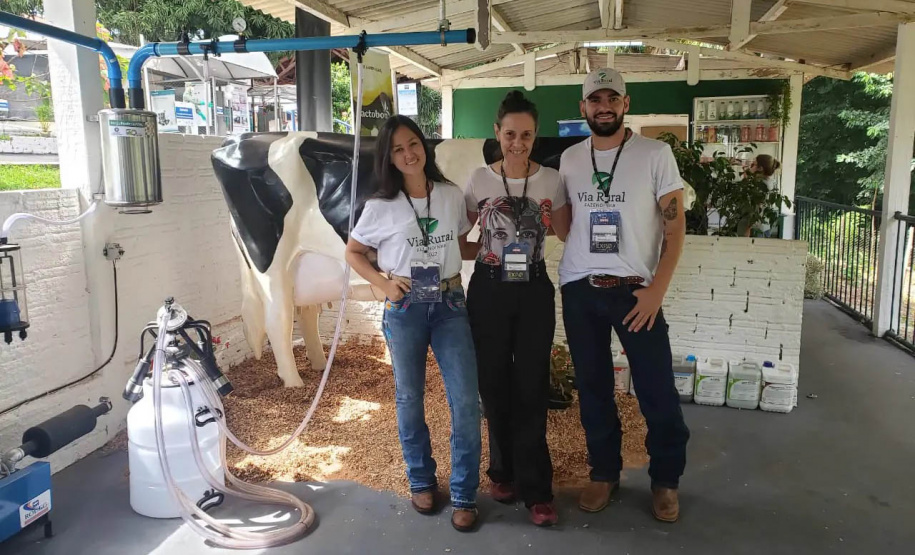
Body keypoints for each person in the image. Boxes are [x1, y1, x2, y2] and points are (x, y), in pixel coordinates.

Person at [550, 68, 691, 523]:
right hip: (580, 290)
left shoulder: (655, 154)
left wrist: (656, 292)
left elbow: (675, 227)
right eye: (595, 99)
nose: (604, 106)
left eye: (613, 98)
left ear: (626, 104)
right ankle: (603, 472)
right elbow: (564, 225)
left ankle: (666, 481)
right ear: (583, 108)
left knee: (657, 391)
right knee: (592, 390)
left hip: (636, 294)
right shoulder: (570, 159)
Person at [344, 115, 482, 532]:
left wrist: (510, 239)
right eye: (397, 150)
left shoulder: (451, 195)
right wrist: (383, 284)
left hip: (450, 303)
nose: (408, 154)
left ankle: (464, 493)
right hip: (404, 310)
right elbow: (353, 252)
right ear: (388, 158)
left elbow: (461, 246)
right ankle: (421, 479)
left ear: (424, 145)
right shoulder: (380, 206)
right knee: (409, 400)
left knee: (465, 401)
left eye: (413, 144)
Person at [463, 90, 567, 527]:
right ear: (497, 133)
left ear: (535, 134)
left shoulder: (552, 181)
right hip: (488, 288)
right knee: (493, 385)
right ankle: (501, 472)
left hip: (535, 289)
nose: (518, 143)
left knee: (531, 386)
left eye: (526, 135)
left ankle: (537, 489)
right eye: (510, 134)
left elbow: (564, 232)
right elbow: (459, 238)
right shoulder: (478, 181)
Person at [748, 154, 781, 237]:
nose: (750, 167)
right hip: (764, 224)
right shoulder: (769, 182)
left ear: (760, 168)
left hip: (757, 225)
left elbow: (756, 206)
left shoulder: (761, 185)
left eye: (753, 164)